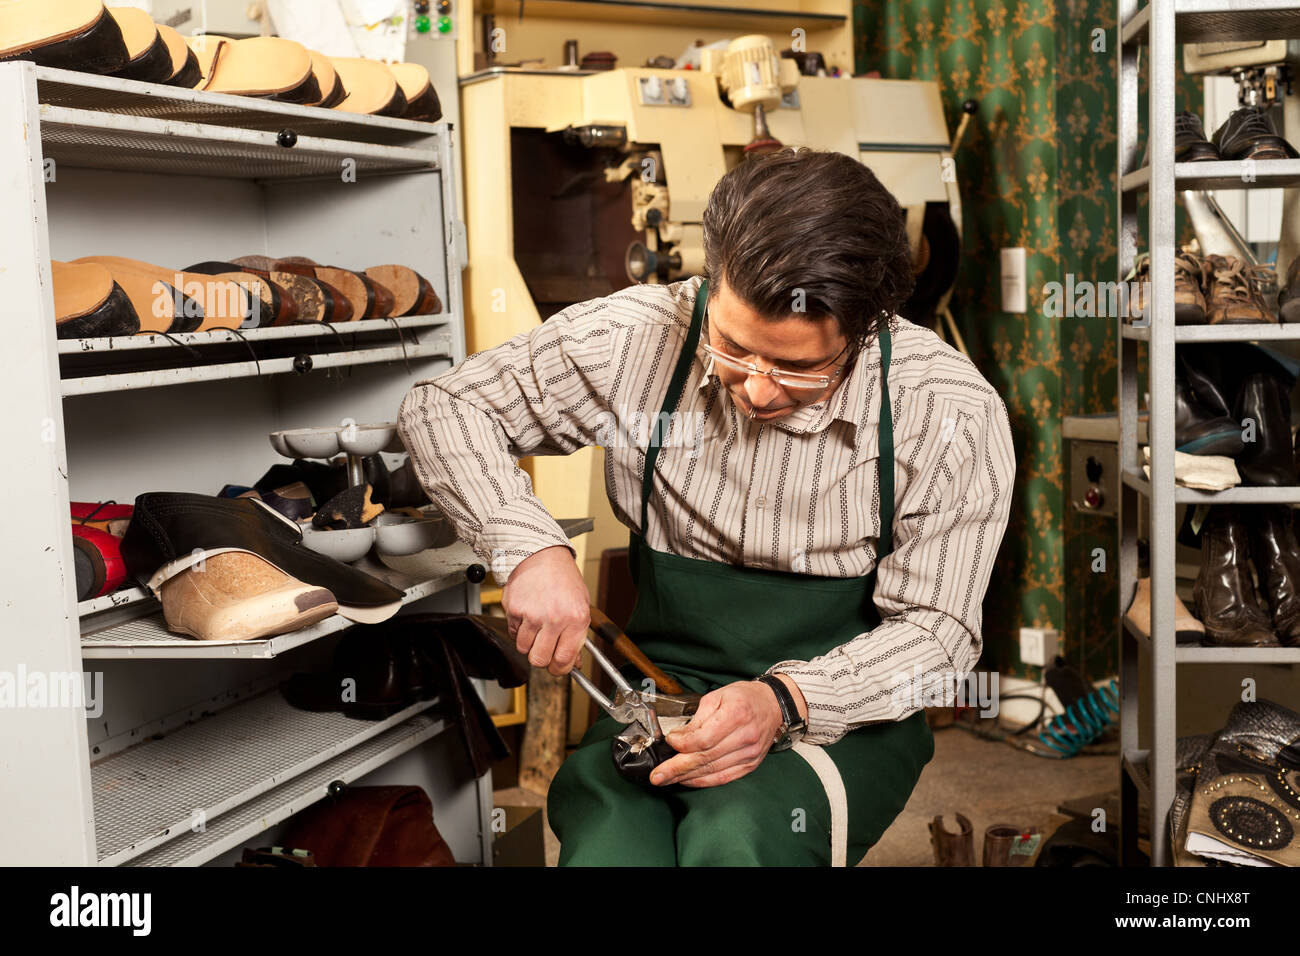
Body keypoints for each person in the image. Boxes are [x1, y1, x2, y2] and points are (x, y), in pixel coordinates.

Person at [398, 147, 1015, 866]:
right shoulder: (641, 336)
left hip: (843, 713)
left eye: (797, 368)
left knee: (739, 839)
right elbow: (445, 406)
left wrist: (782, 701)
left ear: (868, 328)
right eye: (732, 348)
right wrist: (528, 546)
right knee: (608, 848)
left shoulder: (948, 410)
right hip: (662, 691)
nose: (755, 390)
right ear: (709, 281)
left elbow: (940, 636)